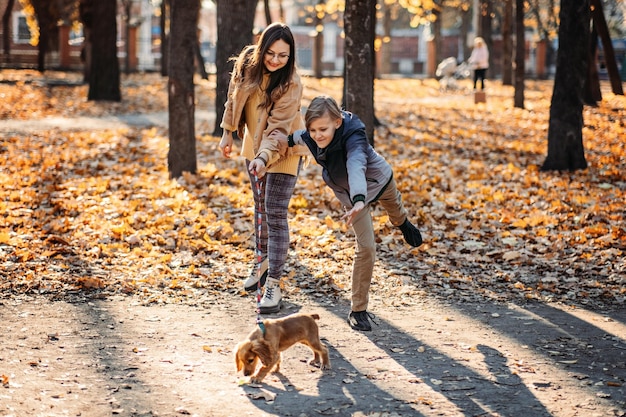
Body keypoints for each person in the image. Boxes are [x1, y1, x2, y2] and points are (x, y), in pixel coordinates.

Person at [256, 96, 423, 332]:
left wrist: (359, 198)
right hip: (353, 199)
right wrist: (271, 151)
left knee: (396, 212)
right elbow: (292, 139)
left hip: (378, 183)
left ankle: (403, 223)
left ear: (337, 121)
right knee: (366, 247)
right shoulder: (311, 136)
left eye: (323, 129)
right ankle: (358, 310)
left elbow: (356, 165)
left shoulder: (355, 137)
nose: (318, 135)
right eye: (313, 129)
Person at [218, 22, 307, 314]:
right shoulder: (247, 63)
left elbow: (279, 129)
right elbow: (234, 97)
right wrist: (227, 132)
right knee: (260, 209)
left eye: (283, 55)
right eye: (271, 53)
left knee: (275, 212)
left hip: (282, 150)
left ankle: (274, 284)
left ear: (291, 55)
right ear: (261, 48)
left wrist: (264, 157)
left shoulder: (292, 82)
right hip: (252, 148)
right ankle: (262, 261)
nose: (276, 61)